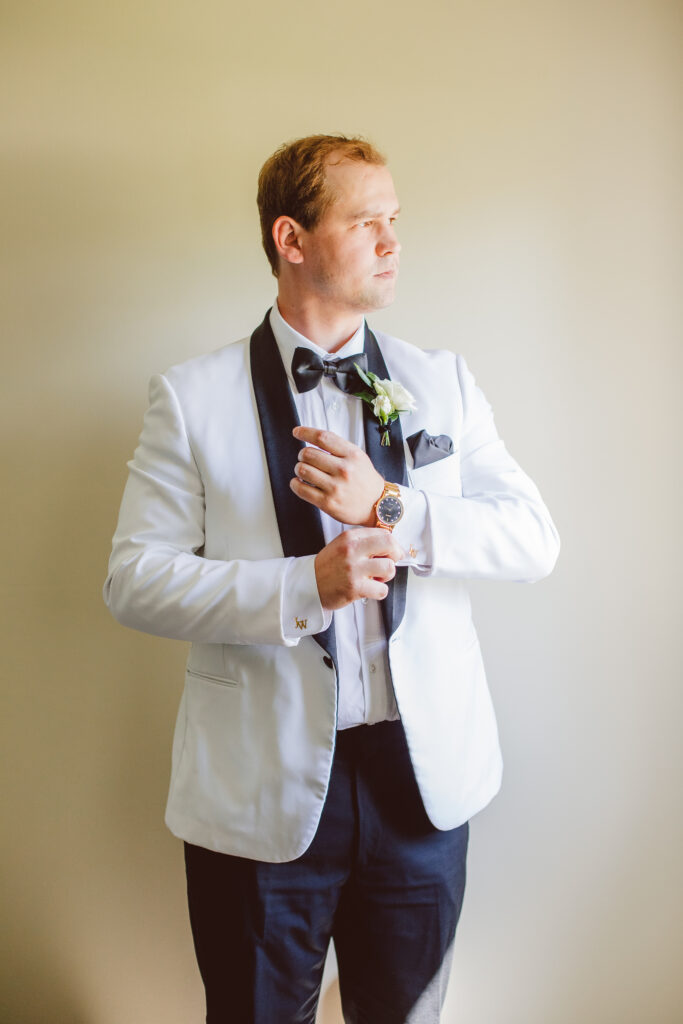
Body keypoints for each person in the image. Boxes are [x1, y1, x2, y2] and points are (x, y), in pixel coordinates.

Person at [104, 134, 560, 1023]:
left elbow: (532, 540)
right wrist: (304, 585)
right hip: (259, 790)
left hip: (421, 786)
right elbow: (134, 580)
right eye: (365, 222)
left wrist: (392, 507)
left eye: (395, 220)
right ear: (291, 238)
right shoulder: (191, 398)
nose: (393, 241)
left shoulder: (443, 383)